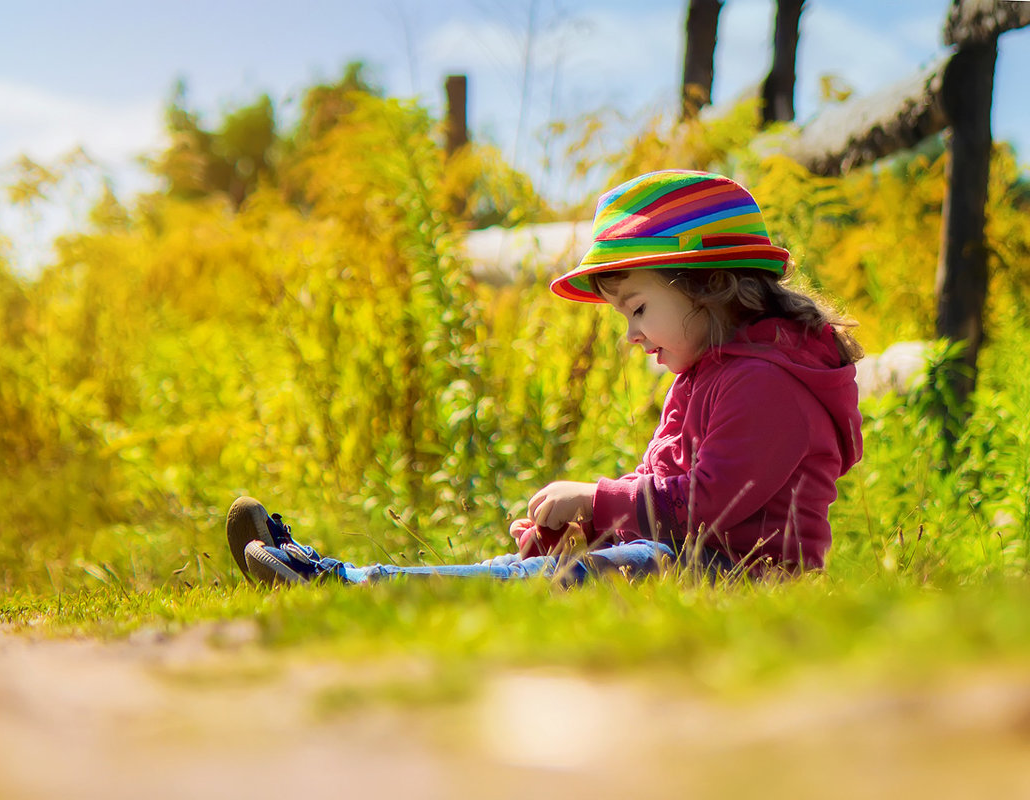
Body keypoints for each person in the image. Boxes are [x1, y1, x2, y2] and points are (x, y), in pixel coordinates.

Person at [226, 169, 864, 587]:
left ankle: (342, 582)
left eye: (638, 308)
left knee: (577, 579)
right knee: (530, 567)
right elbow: (663, 494)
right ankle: (346, 579)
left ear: (710, 285)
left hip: (747, 578)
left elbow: (706, 506)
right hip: (690, 558)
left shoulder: (767, 385)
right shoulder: (711, 373)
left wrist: (594, 499)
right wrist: (579, 527)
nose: (632, 334)